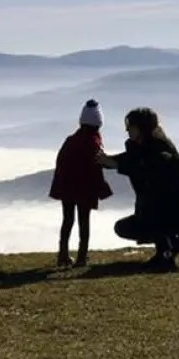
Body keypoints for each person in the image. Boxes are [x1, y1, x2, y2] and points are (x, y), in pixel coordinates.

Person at [97, 107, 179, 271]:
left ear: (142, 128)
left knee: (157, 219)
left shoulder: (161, 149)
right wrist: (105, 161)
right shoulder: (141, 148)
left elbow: (147, 166)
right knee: (125, 226)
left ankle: (166, 254)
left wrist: (117, 164)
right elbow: (129, 160)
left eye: (131, 126)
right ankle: (164, 253)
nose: (127, 130)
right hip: (161, 213)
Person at [48, 99, 113, 268]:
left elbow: (61, 164)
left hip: (66, 186)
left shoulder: (70, 141)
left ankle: (63, 255)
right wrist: (102, 187)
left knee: (67, 220)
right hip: (85, 188)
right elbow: (97, 166)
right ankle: (81, 257)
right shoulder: (94, 143)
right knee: (84, 221)